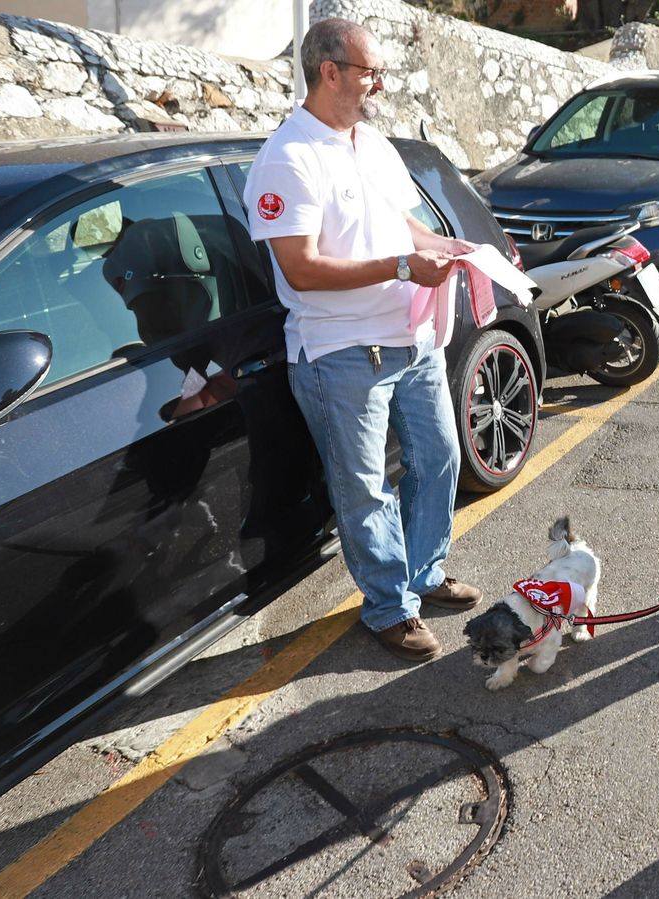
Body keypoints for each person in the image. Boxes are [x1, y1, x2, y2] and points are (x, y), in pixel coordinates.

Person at [243, 17, 483, 664]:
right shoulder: (287, 158)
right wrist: (404, 267)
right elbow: (301, 268)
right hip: (342, 355)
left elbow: (402, 223)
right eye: (370, 72)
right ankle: (388, 606)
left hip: (412, 337)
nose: (378, 84)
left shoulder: (370, 142)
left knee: (440, 459)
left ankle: (425, 574)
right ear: (330, 72)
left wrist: (447, 247)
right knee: (364, 489)